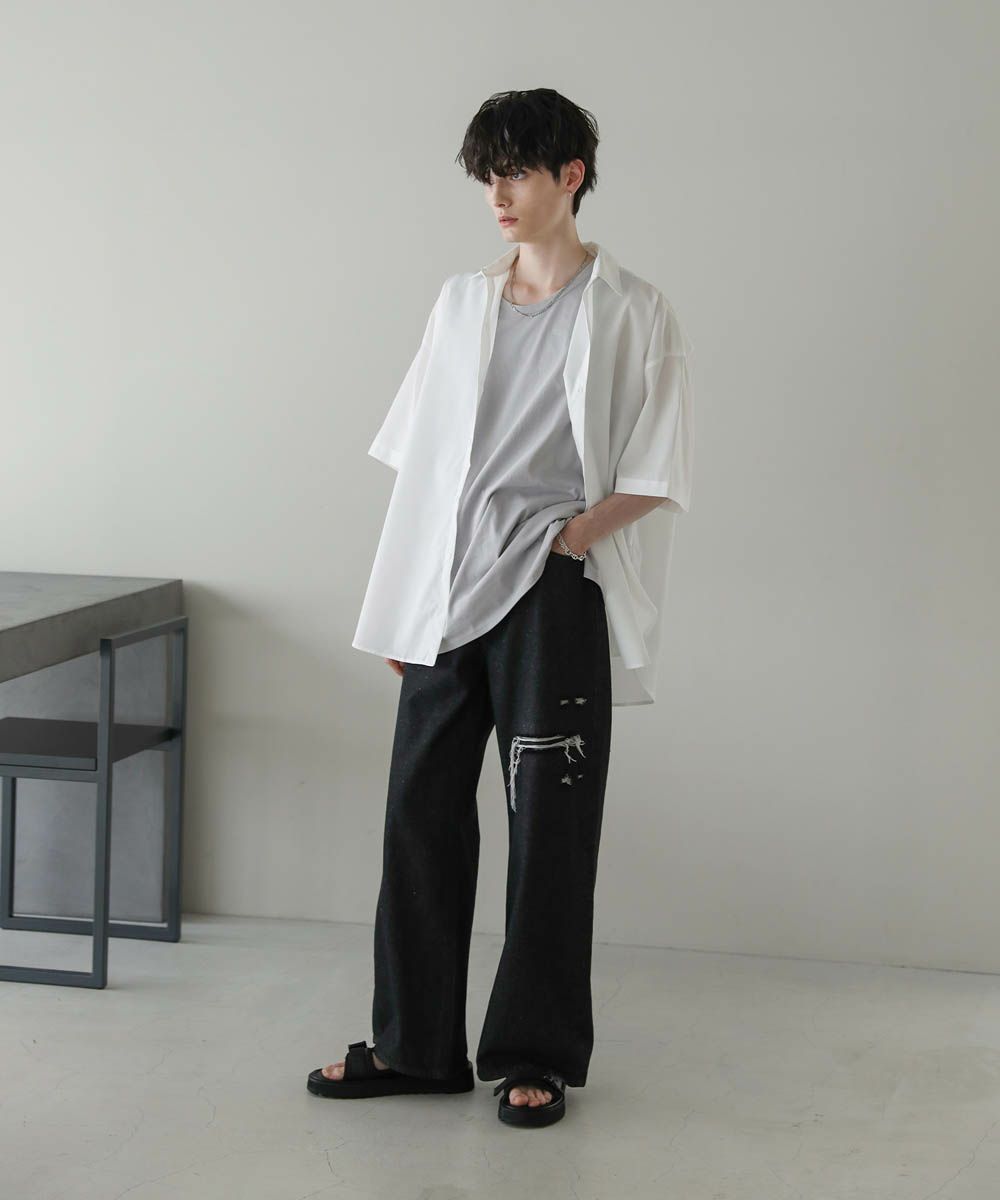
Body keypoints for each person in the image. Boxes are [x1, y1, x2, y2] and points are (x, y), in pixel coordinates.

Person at [307, 88, 694, 1128]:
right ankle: (413, 1047)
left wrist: (571, 539)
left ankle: (533, 1052)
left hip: (552, 595)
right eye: (488, 174)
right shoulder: (459, 304)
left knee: (550, 828)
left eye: (516, 170)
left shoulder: (634, 310)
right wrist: (404, 604)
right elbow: (425, 470)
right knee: (419, 817)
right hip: (448, 592)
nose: (498, 193)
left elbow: (657, 467)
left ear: (571, 175)